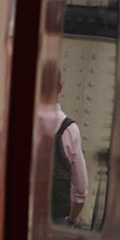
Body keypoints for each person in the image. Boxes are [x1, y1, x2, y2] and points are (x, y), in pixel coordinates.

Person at [38, 64, 89, 228]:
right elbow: (81, 187)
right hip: (55, 220)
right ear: (60, 87)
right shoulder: (69, 129)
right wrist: (71, 220)